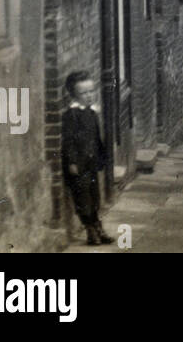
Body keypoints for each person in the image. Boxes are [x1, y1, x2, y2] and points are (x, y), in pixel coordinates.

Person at [61, 71, 110, 246]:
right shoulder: (71, 115)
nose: (89, 96)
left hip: (91, 163)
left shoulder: (91, 113)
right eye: (84, 93)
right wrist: (72, 162)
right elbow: (69, 141)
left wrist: (101, 157)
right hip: (79, 165)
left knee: (95, 196)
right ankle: (90, 230)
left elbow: (96, 138)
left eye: (91, 91)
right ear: (74, 95)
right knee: (83, 199)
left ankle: (98, 227)